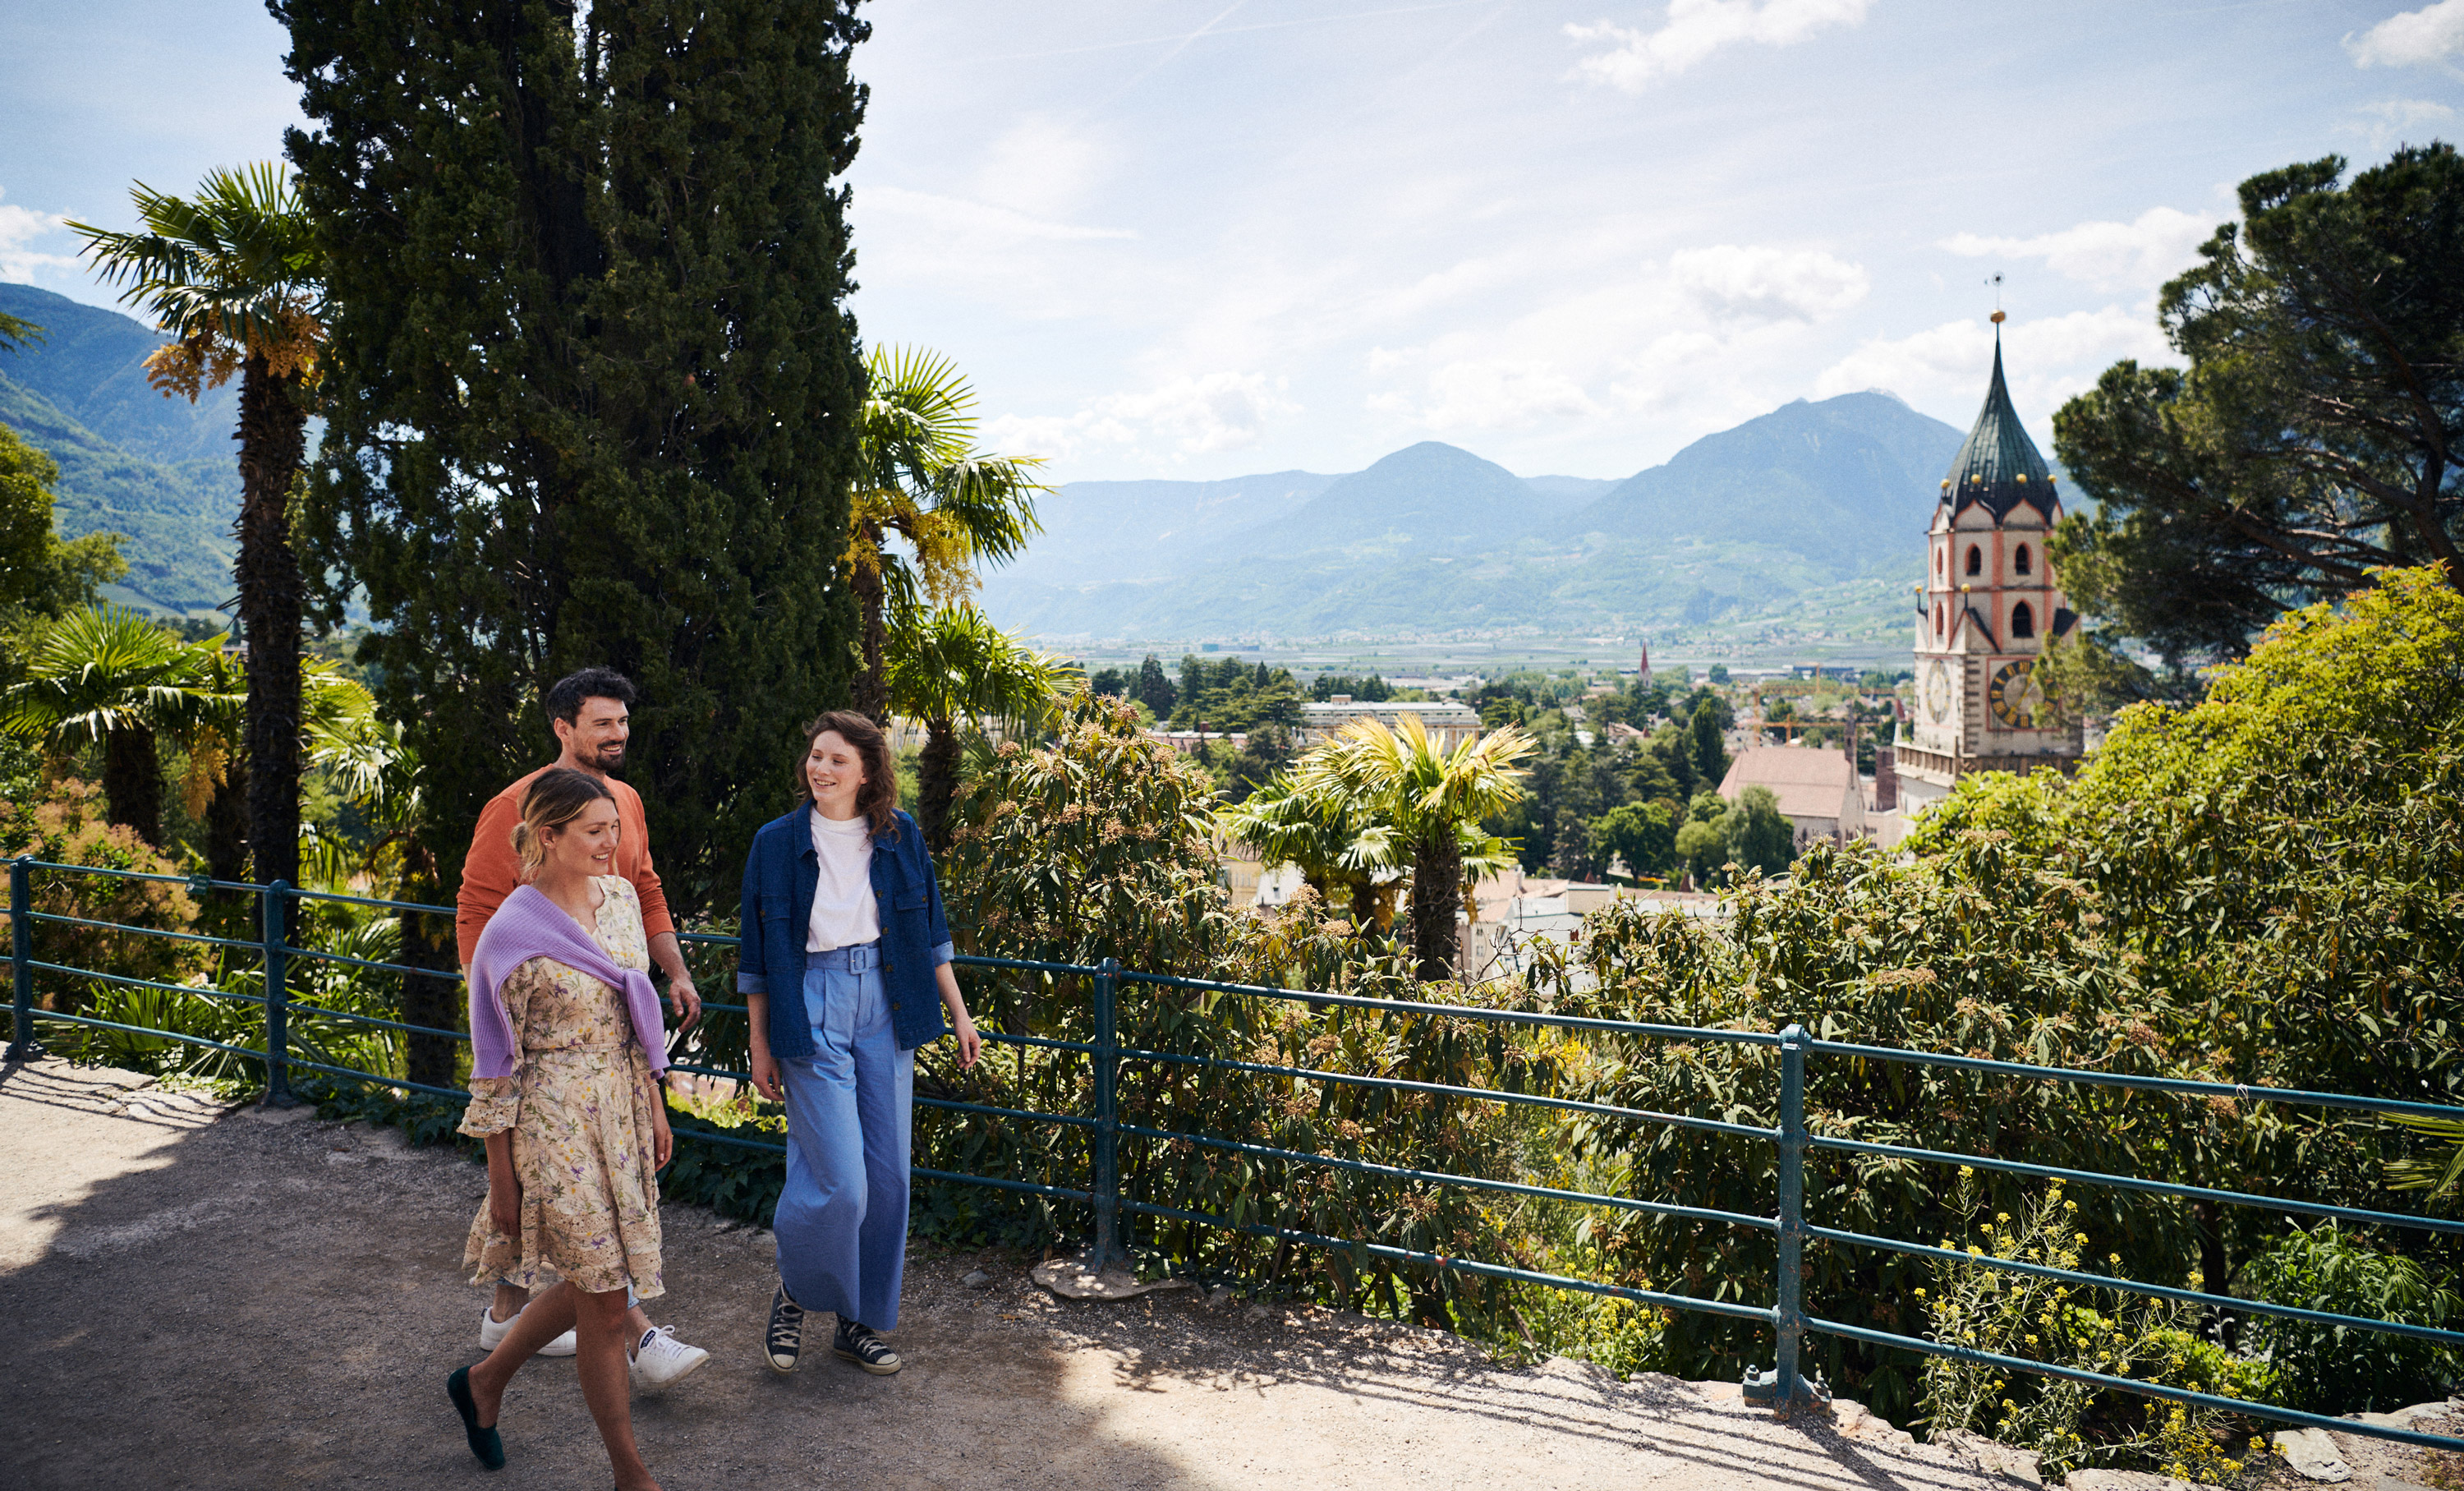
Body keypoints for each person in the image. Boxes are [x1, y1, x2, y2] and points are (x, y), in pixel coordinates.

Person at [455, 667, 706, 1385]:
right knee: (571, 1201)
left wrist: (676, 971)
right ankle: (639, 1337)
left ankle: (506, 1313)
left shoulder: (624, 799)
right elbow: (478, 917)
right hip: (542, 1035)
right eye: (603, 722)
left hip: (609, 1045)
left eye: (623, 722)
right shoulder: (514, 805)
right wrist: (497, 1021)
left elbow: (645, 890)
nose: (618, 734)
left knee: (549, 1194)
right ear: (563, 727)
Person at [737, 710, 982, 1376]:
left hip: (888, 1000)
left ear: (868, 771)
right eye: (815, 756)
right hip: (810, 1002)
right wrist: (760, 1044)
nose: (820, 768)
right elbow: (757, 958)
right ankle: (796, 1290)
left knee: (889, 1178)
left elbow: (931, 935)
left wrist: (960, 1013)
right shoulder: (776, 842)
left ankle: (857, 1320)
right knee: (841, 1181)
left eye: (836, 760)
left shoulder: (902, 839)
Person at [447, 769, 673, 1489]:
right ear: (549, 836)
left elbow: (632, 1021)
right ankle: (629, 1472)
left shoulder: (621, 900)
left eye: (616, 827)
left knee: (596, 1281)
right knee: (608, 1305)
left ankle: (484, 1381)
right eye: (595, 831)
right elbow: (494, 1064)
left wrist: (656, 1102)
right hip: (552, 1124)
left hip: (622, 1111)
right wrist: (501, 1180)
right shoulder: (509, 932)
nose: (614, 843)